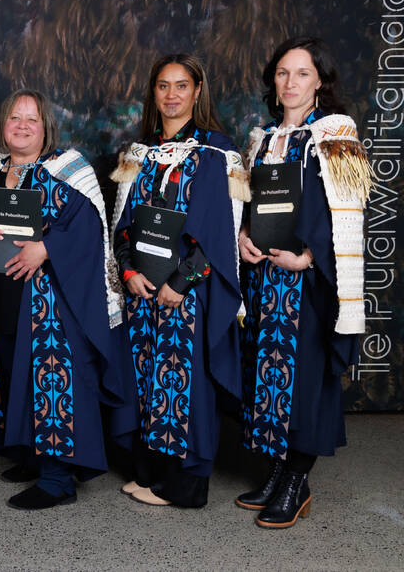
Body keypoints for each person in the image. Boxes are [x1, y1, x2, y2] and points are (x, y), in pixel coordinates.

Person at [0, 89, 125, 509]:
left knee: (51, 384)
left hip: (49, 306)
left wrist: (47, 248)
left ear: (45, 128)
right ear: (3, 125)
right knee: (12, 380)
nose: (21, 125)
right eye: (14, 117)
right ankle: (32, 456)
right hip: (2, 299)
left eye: (31, 119)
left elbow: (91, 230)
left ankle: (57, 479)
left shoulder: (68, 170)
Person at [237, 37, 371, 528]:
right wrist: (244, 235)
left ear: (321, 82)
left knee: (305, 382)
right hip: (267, 280)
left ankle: (297, 481)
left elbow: (350, 207)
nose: (290, 83)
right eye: (282, 73)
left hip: (310, 282)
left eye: (302, 73)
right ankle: (276, 472)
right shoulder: (261, 139)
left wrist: (312, 256)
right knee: (268, 375)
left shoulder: (337, 133)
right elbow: (251, 205)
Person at [110, 54, 249, 508]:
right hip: (142, 290)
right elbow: (124, 225)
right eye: (163, 86)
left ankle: (185, 487)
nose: (172, 95)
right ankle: (153, 477)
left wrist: (182, 282)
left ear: (197, 91)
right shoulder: (140, 152)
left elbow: (221, 231)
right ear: (153, 92)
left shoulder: (216, 152)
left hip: (186, 290)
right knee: (148, 380)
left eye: (181, 85)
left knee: (182, 384)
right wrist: (128, 270)